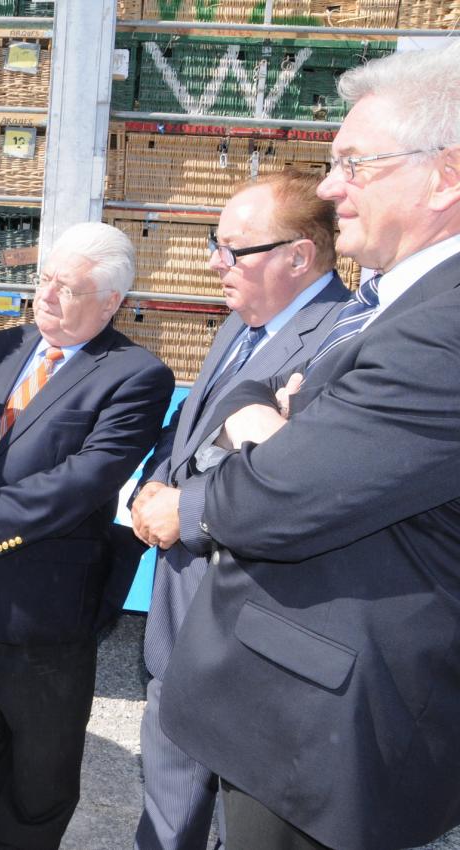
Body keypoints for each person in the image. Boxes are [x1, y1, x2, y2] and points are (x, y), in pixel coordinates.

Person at [156, 41, 460, 849]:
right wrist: (270, 416)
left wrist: (258, 418)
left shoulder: (444, 326)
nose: (329, 189)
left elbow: (268, 499)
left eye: (355, 164)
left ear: (446, 175)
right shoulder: (403, 307)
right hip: (298, 708)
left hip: (330, 728)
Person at [0, 222, 174, 850]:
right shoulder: (2, 346)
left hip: (48, 596)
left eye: (69, 288)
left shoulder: (136, 374)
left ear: (110, 302)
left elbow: (86, 479)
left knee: (44, 746)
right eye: (44, 279)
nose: (48, 296)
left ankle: (24, 839)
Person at [128, 171, 348, 850]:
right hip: (184, 605)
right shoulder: (241, 323)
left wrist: (184, 506)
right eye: (214, 243)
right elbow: (192, 429)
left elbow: (307, 480)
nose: (214, 261)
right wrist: (151, 485)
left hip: (249, 613)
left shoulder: (340, 341)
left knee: (242, 811)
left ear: (298, 257)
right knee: (168, 790)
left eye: (233, 248)